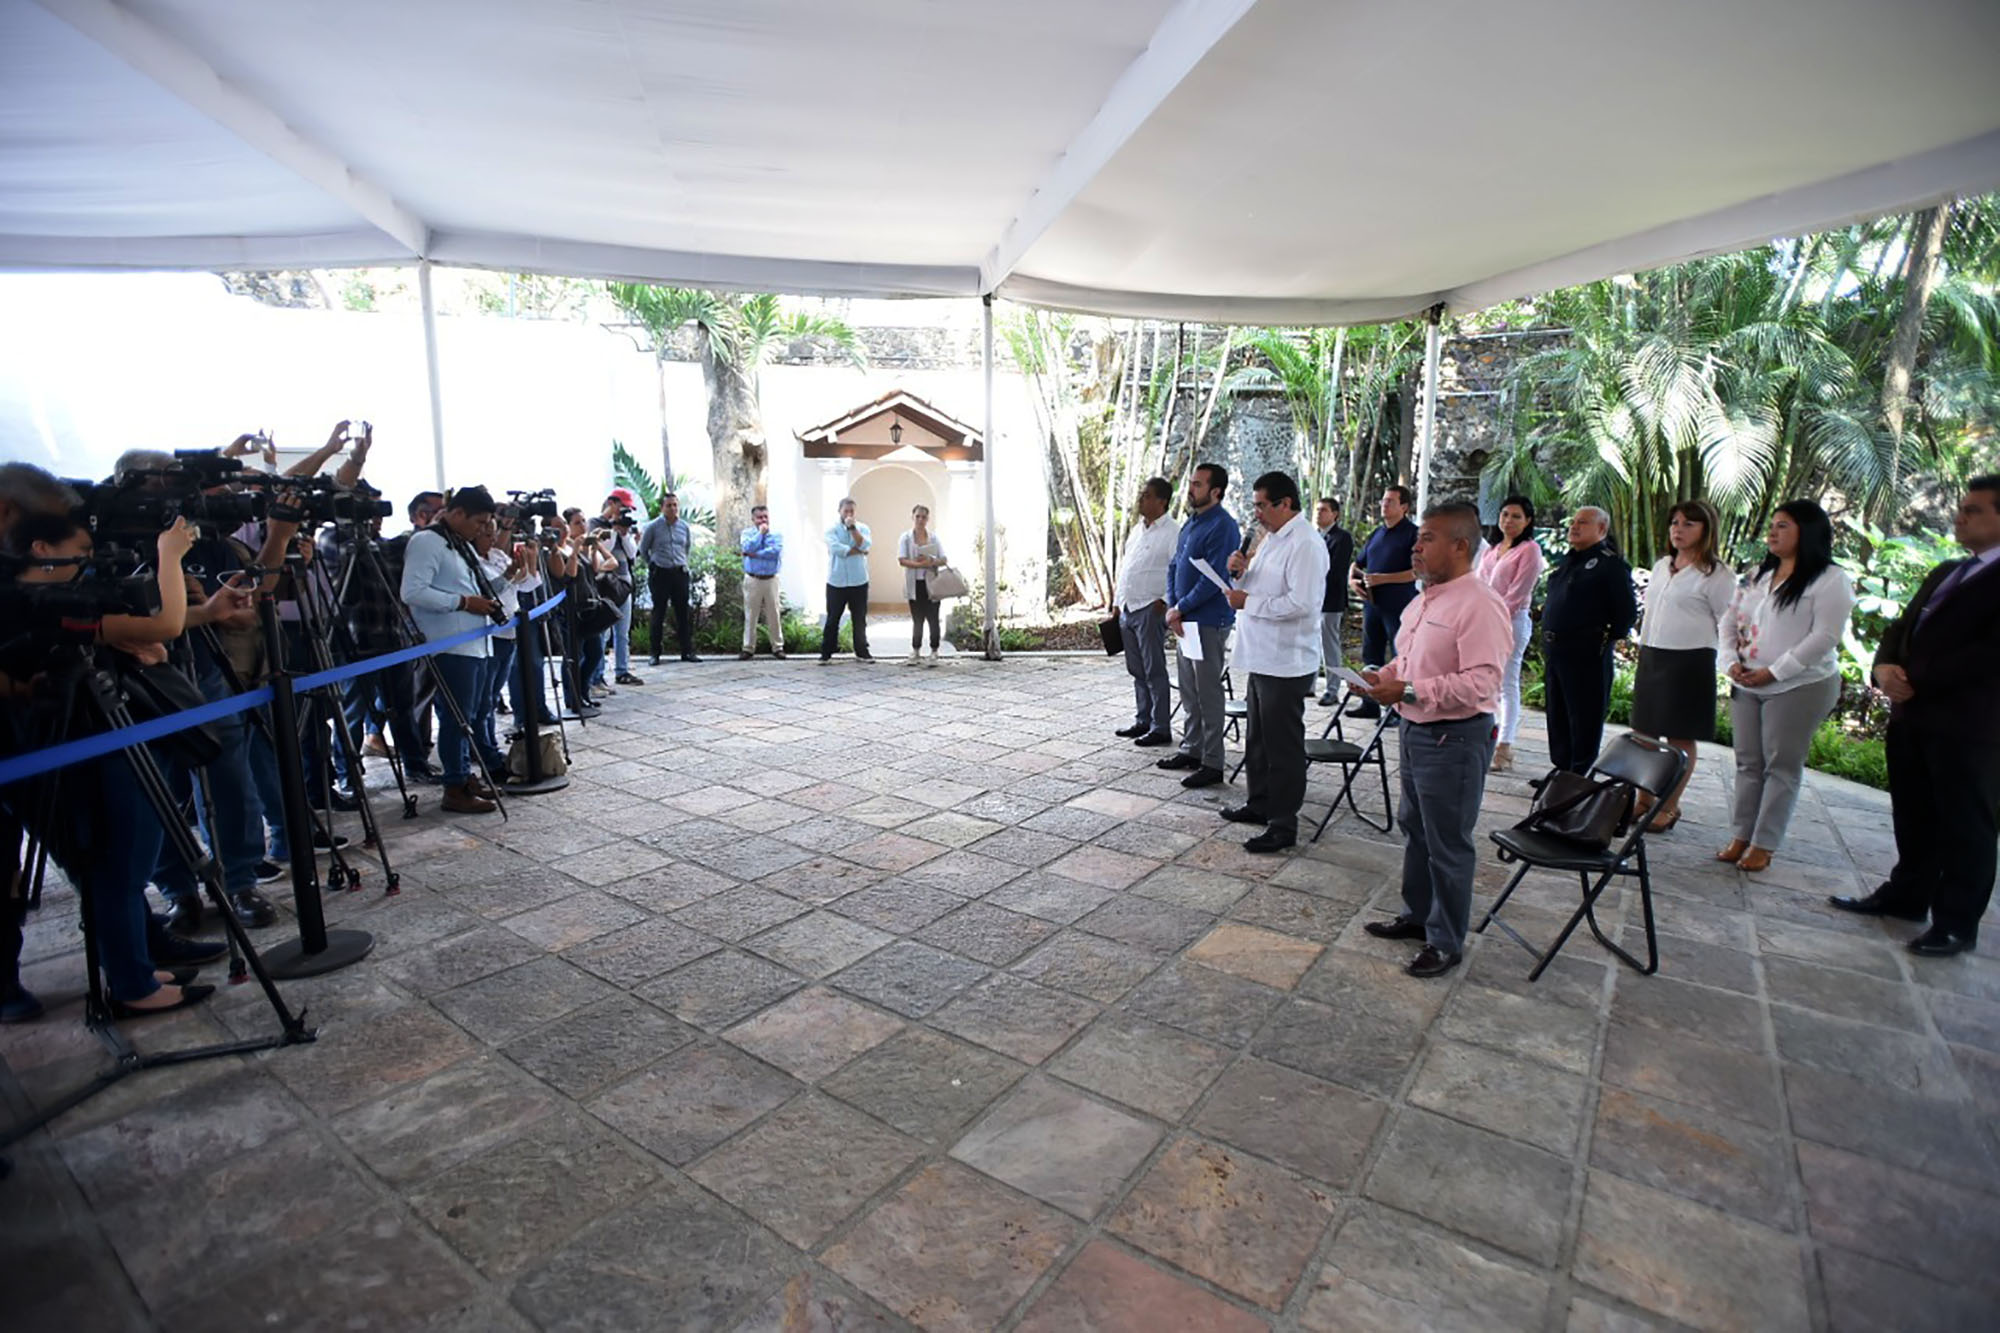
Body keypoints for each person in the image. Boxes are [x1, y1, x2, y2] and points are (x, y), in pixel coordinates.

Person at [1832, 477, 2000, 956]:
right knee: (1914, 814)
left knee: (1966, 826)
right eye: (1962, 508)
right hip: (1914, 718)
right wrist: (1883, 667)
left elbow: (1990, 655)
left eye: (1974, 510)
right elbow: (1900, 628)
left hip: (1969, 727)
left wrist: (1915, 678)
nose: (1960, 516)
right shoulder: (1949, 570)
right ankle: (1908, 895)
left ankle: (1956, 922)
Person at [1358, 503, 1513, 978]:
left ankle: (1446, 940)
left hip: (1455, 736)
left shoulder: (1480, 603)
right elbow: (1409, 661)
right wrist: (1379, 676)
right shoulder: (1426, 598)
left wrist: (1406, 690)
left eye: (1426, 539)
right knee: (1416, 827)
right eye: (1418, 538)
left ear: (1460, 545)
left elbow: (1482, 683)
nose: (1415, 547)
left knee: (1447, 840)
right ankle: (1419, 915)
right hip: (1415, 728)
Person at [1715, 500, 1856, 873]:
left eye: (1783, 526)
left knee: (1781, 765)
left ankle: (1765, 842)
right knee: (1747, 762)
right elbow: (1729, 621)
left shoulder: (1830, 579)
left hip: (1799, 685)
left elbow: (1824, 636)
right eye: (1772, 525)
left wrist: (1775, 672)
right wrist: (1730, 661)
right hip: (1748, 680)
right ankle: (1741, 835)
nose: (1773, 532)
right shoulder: (1757, 574)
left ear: (1807, 532)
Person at [1219, 472, 1329, 852]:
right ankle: (1260, 803)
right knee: (1258, 741)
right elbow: (1264, 586)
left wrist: (1248, 601)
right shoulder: (1271, 539)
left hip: (1286, 661)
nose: (1257, 513)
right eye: (1255, 506)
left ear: (1285, 504)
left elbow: (1302, 603)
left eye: (1262, 505)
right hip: (1261, 654)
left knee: (1283, 747)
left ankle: (1283, 823)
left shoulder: (1306, 544)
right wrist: (1243, 570)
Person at [1628, 499, 1736, 831]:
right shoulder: (1662, 565)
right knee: (1643, 735)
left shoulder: (1717, 574)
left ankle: (1669, 806)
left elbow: (1729, 621)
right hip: (1653, 656)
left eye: (1689, 523)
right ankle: (1643, 799)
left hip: (1690, 661)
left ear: (1706, 530)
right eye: (1675, 522)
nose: (1678, 528)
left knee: (1680, 739)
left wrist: (1730, 663)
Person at [401, 486, 508, 814]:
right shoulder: (428, 541)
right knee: (457, 718)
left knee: (469, 715)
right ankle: (454, 785)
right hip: (450, 644)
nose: (481, 529)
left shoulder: (457, 543)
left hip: (473, 643)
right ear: (457, 513)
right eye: (478, 521)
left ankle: (462, 775)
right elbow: (412, 591)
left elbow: (471, 587)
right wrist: (462, 602)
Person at [1539, 506, 1637, 775]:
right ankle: (1561, 771)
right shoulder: (1570, 560)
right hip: (1557, 650)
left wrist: (1601, 641)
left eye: (1583, 523)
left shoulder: (1609, 565)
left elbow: (1626, 612)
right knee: (1558, 716)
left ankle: (1577, 775)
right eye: (1573, 522)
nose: (1574, 527)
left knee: (1583, 718)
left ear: (1601, 529)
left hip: (1585, 653)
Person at [1161, 463, 1240, 789]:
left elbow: (1215, 580)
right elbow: (1175, 565)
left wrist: (1181, 607)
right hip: (1185, 621)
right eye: (1191, 483)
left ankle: (1213, 761)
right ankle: (1191, 749)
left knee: (1208, 693)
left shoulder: (1223, 527)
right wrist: (1172, 606)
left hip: (1208, 621)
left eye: (1197, 484)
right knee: (1190, 691)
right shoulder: (1191, 524)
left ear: (1216, 491)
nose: (1190, 489)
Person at [1475, 495, 1546, 773]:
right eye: (1505, 514)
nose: (1509, 520)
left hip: (1511, 621)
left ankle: (1505, 746)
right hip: (1484, 620)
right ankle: (1487, 738)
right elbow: (1479, 584)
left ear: (1528, 521)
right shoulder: (1493, 549)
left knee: (1507, 682)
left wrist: (1491, 617)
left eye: (1516, 516)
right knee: (1486, 681)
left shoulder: (1530, 550)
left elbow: (1517, 593)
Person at [1111, 479, 1179, 742]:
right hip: (1129, 607)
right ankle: (1143, 719)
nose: (1141, 499)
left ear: (1162, 501)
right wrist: (1118, 602)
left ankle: (1161, 727)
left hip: (1150, 608)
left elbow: (1177, 569)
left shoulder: (1173, 531)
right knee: (1136, 669)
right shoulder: (1137, 530)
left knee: (1154, 670)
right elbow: (1127, 567)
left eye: (1147, 495)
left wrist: (1162, 601)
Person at [1346, 485, 1419, 719]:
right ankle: (1369, 704)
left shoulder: (1413, 534)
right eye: (1383, 500)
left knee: (1401, 657)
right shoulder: (1377, 533)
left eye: (1390, 501)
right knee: (1371, 655)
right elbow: (1357, 563)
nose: (1384, 504)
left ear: (1404, 507)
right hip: (1373, 604)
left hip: (1400, 606)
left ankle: (1399, 709)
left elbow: (1416, 572)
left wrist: (1383, 579)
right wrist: (1352, 580)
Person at [590, 489, 645, 685]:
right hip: (606, 585)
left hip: (624, 583)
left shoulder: (625, 527)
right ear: (612, 503)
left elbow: (631, 554)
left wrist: (625, 534)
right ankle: (597, 675)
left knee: (623, 632)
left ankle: (622, 670)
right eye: (623, 507)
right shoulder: (596, 524)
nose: (624, 512)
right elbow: (605, 551)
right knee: (603, 633)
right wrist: (613, 529)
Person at [639, 491, 697, 665]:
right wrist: (653, 564)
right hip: (660, 573)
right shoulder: (653, 527)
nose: (672, 508)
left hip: (679, 573)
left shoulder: (684, 527)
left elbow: (686, 547)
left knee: (683, 613)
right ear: (662, 507)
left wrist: (682, 563)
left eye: (675, 505)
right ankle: (655, 653)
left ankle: (687, 652)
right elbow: (643, 550)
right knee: (659, 613)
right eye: (669, 505)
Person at [822, 498, 873, 662]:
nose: (849, 514)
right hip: (836, 581)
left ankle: (862, 651)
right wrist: (857, 551)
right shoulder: (832, 530)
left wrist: (852, 529)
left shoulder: (862, 528)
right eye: (846, 511)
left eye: (852, 511)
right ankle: (826, 653)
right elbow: (836, 548)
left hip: (859, 580)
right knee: (833, 618)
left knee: (859, 618)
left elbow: (865, 545)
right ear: (839, 511)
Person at [898, 504, 951, 663]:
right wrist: (920, 565)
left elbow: (943, 559)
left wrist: (931, 561)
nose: (920, 520)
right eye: (917, 516)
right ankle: (916, 650)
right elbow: (902, 560)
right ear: (912, 517)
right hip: (915, 583)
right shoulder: (906, 538)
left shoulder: (934, 538)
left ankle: (934, 650)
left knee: (933, 617)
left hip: (931, 583)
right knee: (917, 618)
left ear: (928, 519)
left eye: (924, 517)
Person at [1315, 497, 1355, 706]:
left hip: (1330, 600)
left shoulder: (1342, 538)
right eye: (1317, 510)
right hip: (1312, 600)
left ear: (1335, 514)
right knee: (1312, 643)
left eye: (1323, 510)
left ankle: (1332, 689)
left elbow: (1336, 571)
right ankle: (1310, 685)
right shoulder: (1314, 537)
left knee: (1329, 644)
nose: (1318, 513)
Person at [738, 503, 784, 659]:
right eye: (759, 517)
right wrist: (759, 535)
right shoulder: (746, 533)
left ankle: (777, 647)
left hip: (771, 579)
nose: (763, 520)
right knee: (751, 614)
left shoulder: (776, 534)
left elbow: (774, 552)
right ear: (753, 519)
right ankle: (748, 648)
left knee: (774, 614)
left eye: (765, 516)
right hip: (753, 579)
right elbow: (746, 548)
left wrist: (756, 554)